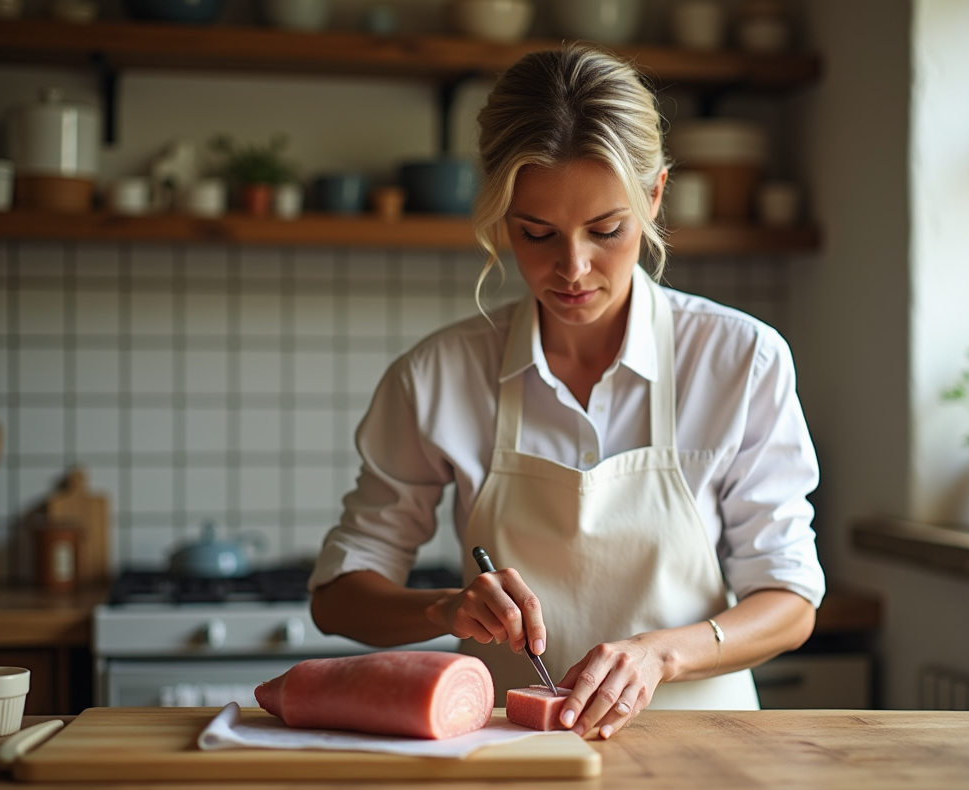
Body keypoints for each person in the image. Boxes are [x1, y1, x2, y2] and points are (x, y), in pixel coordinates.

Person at [309, 43, 824, 739]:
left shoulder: (741, 360)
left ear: (654, 196)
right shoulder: (438, 375)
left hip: (702, 749)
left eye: (606, 230)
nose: (573, 268)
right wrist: (444, 609)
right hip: (506, 751)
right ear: (500, 215)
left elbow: (790, 599)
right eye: (537, 233)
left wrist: (661, 654)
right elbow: (338, 597)